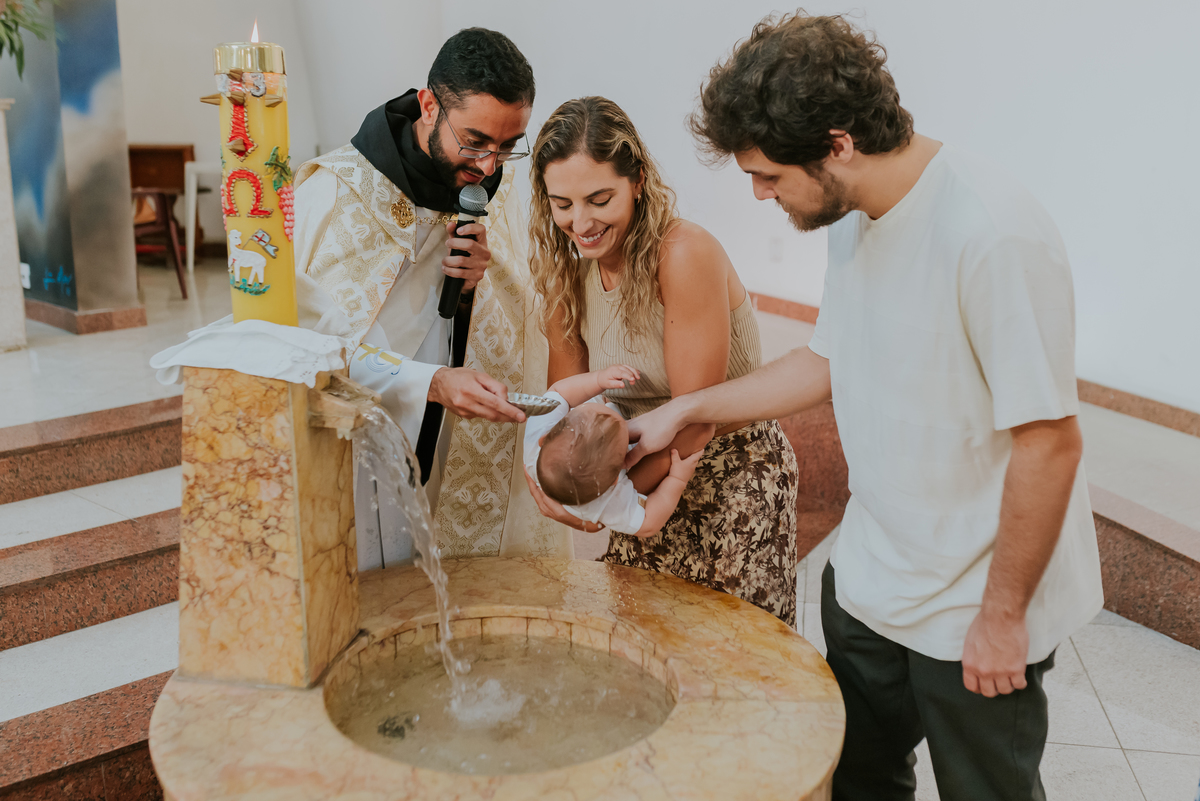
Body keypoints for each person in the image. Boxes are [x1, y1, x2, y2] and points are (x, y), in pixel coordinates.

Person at [628, 13, 1103, 801]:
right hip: (871, 583)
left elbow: (1050, 442)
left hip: (974, 604)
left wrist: (1003, 617)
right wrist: (689, 410)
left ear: (838, 144)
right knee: (859, 785)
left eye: (769, 175)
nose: (758, 192)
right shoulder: (851, 219)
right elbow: (827, 361)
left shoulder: (991, 234)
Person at [293, 28, 568, 565]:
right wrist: (431, 383)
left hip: (453, 438)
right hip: (362, 440)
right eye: (474, 141)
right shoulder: (333, 193)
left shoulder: (497, 187)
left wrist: (474, 288)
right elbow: (310, 345)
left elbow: (525, 314)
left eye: (507, 146)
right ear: (427, 105)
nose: (489, 166)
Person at [524, 96, 799, 627]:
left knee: (731, 667)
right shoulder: (564, 275)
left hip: (724, 473)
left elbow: (695, 421)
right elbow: (566, 408)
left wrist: (603, 501)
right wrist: (579, 491)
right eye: (561, 204)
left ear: (638, 180)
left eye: (598, 198)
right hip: (629, 478)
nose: (579, 222)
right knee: (641, 659)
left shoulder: (681, 253)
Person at [524, 364, 703, 536]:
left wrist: (598, 380)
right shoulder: (608, 503)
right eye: (627, 435)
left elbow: (559, 392)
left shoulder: (538, 432)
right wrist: (677, 479)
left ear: (545, 437)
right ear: (615, 481)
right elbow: (649, 523)